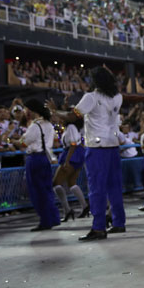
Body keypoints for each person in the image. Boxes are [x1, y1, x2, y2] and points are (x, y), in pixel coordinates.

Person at [47, 66, 125, 240]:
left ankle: (98, 227)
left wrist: (54, 111)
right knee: (115, 187)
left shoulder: (90, 97)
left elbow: (71, 116)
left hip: (96, 147)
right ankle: (119, 222)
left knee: (97, 188)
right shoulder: (118, 97)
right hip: (112, 145)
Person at [20, 99, 60, 231]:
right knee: (47, 190)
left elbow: (24, 143)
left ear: (31, 110)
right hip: (45, 159)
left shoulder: (34, 126)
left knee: (37, 191)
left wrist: (13, 140)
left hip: (35, 159)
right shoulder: (48, 124)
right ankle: (53, 218)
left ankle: (45, 221)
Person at [46, 110, 88, 221]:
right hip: (76, 154)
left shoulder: (71, 127)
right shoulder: (72, 127)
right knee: (71, 182)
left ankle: (67, 209)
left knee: (56, 183)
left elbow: (73, 144)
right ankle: (84, 206)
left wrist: (67, 161)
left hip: (71, 154)